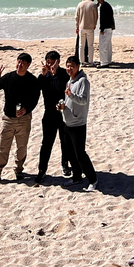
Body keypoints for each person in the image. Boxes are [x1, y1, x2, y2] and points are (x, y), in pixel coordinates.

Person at [0, 53, 40, 187]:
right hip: (8, 119)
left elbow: (35, 98)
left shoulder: (32, 80)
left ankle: (19, 170)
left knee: (21, 147)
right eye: (18, 62)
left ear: (28, 65)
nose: (20, 65)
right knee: (3, 147)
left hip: (24, 119)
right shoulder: (8, 77)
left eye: (23, 63)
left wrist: (26, 109)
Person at [58, 56, 98, 191]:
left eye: (72, 66)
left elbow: (83, 100)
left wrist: (70, 96)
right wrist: (62, 107)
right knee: (70, 153)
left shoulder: (83, 81)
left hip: (78, 123)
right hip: (67, 121)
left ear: (78, 66)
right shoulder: (70, 80)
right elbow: (69, 99)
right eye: (67, 66)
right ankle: (76, 177)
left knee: (80, 154)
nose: (69, 69)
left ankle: (93, 180)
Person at [35, 51, 71, 184]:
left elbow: (62, 89)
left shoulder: (64, 75)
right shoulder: (45, 75)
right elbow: (37, 88)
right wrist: (44, 74)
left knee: (65, 141)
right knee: (46, 143)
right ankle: (42, 170)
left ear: (58, 61)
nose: (50, 65)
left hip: (63, 114)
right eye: (48, 62)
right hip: (49, 114)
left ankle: (65, 165)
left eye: (52, 62)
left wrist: (55, 73)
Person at [75, 0, 98, 66]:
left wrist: (77, 27)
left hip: (81, 27)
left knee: (81, 45)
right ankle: (90, 61)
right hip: (90, 27)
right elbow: (96, 17)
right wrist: (94, 25)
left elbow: (77, 17)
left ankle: (81, 62)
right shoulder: (93, 5)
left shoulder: (80, 4)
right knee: (90, 45)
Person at [97, 0, 115, 68]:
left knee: (103, 45)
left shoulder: (103, 6)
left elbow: (102, 19)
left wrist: (101, 29)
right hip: (110, 27)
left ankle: (104, 62)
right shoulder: (108, 5)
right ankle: (108, 60)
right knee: (108, 45)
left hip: (106, 28)